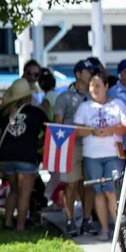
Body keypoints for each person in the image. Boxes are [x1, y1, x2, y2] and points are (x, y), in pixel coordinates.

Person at [74, 69, 126, 242]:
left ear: (106, 86)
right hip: (92, 155)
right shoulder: (84, 107)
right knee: (98, 192)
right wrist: (92, 130)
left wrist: (111, 130)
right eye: (91, 86)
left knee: (112, 192)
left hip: (113, 154)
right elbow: (77, 130)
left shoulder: (118, 104)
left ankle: (119, 229)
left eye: (98, 85)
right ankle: (105, 229)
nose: (94, 89)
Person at [0, 79, 47, 231]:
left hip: (7, 156)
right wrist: (39, 141)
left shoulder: (4, 111)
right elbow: (49, 130)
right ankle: (21, 226)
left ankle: (8, 222)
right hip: (27, 156)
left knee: (13, 190)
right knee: (25, 193)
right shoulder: (36, 112)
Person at [53, 60, 95, 237]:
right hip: (72, 146)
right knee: (71, 184)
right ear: (78, 74)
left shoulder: (96, 94)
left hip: (93, 145)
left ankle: (86, 220)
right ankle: (69, 220)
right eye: (88, 71)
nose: (91, 74)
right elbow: (58, 126)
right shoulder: (64, 97)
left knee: (89, 185)